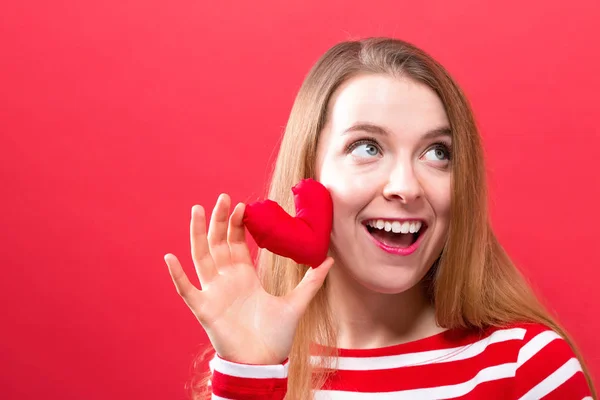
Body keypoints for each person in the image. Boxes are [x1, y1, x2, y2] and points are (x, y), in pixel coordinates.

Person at [164, 37, 596, 399]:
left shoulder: (526, 369)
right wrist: (249, 376)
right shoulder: (255, 370)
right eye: (367, 147)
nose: (406, 186)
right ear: (310, 175)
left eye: (437, 153)